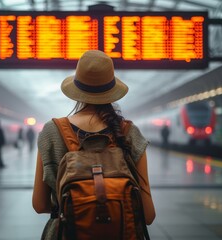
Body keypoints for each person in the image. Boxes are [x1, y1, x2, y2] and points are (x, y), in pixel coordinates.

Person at [32, 50, 155, 239]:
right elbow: (148, 215)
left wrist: (74, 206)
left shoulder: (51, 132)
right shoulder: (130, 134)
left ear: (77, 90)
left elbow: (39, 205)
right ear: (112, 91)